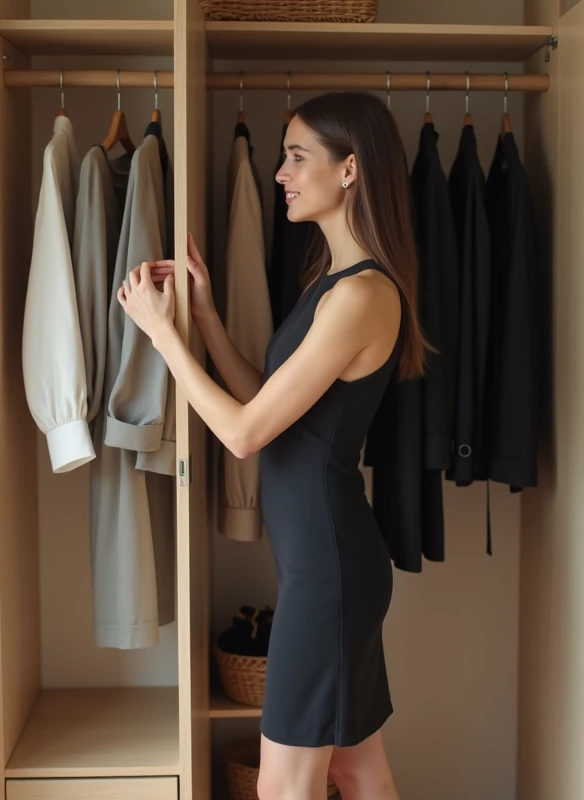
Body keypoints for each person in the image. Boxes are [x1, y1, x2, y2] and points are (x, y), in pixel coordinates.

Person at [117, 91, 428, 800]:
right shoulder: (333, 283)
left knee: (283, 786)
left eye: (296, 156)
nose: (281, 173)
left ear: (350, 170)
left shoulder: (362, 296)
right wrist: (205, 316)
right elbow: (269, 402)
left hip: (330, 572)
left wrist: (162, 334)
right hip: (328, 566)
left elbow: (243, 433)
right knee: (354, 767)